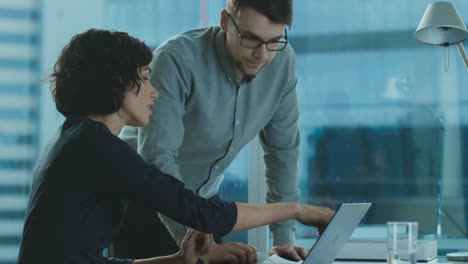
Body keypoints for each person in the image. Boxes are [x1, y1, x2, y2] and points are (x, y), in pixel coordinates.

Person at [17, 29, 334, 264]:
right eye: (145, 78)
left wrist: (178, 260)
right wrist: (297, 209)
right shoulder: (97, 147)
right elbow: (203, 213)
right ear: (116, 84)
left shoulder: (75, 138)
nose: (154, 93)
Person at [115, 0, 308, 262]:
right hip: (146, 202)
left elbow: (282, 152)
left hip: (203, 204)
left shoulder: (281, 62)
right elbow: (157, 160)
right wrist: (199, 246)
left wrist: (283, 239)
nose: (262, 55)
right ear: (226, 22)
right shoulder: (177, 59)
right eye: (251, 39)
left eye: (274, 40)